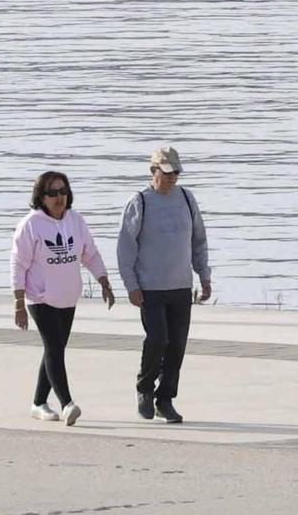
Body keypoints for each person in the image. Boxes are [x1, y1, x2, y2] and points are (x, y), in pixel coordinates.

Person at [115, 144, 211, 424]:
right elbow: (125, 247)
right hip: (150, 288)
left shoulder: (187, 199)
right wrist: (131, 284)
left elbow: (198, 240)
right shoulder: (140, 202)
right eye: (167, 172)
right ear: (153, 171)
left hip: (180, 285)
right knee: (158, 339)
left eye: (176, 173)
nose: (172, 178)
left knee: (177, 345)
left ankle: (165, 399)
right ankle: (144, 388)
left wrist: (204, 275)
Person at [12, 169, 115, 426]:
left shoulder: (76, 221)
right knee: (55, 349)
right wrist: (19, 303)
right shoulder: (31, 225)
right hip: (40, 298)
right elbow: (18, 263)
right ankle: (67, 403)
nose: (59, 197)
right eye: (52, 193)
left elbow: (89, 254)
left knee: (54, 350)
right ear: (41, 197)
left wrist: (104, 281)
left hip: (68, 298)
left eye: (63, 192)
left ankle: (38, 403)